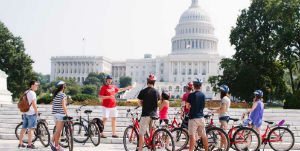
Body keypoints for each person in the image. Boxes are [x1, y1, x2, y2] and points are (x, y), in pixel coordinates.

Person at [137, 74, 160, 151]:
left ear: (147, 81)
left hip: (145, 114)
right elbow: (158, 102)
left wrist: (144, 103)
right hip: (154, 115)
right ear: (154, 82)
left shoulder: (143, 91)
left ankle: (140, 149)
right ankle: (152, 149)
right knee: (152, 134)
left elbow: (139, 103)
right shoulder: (156, 91)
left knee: (142, 134)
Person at [186, 78, 208, 151]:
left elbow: (187, 106)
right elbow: (203, 106)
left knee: (192, 137)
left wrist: (191, 107)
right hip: (201, 117)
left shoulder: (191, 95)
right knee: (204, 136)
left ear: (194, 86)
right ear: (201, 86)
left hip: (193, 118)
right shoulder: (203, 95)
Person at [209, 84, 231, 150]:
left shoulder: (224, 99)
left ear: (222, 91)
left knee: (224, 135)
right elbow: (221, 107)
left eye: (220, 90)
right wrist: (213, 109)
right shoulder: (226, 98)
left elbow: (222, 110)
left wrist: (213, 112)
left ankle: (226, 148)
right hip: (225, 117)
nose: (219, 92)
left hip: (223, 117)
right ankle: (220, 148)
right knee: (222, 134)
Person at [18, 80, 39, 149]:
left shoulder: (26, 92)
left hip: (25, 112)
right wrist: (36, 112)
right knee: (31, 129)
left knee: (24, 128)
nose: (37, 86)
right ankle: (29, 144)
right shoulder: (33, 93)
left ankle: (20, 143)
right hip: (31, 113)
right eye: (36, 85)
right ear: (32, 86)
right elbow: (34, 104)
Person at [50, 80, 68, 151]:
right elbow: (63, 106)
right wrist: (67, 114)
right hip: (60, 114)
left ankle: (52, 141)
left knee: (57, 130)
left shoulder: (56, 95)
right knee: (58, 131)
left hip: (55, 114)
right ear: (63, 87)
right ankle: (56, 146)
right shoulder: (63, 95)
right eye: (65, 86)